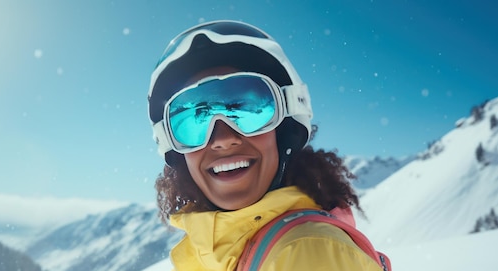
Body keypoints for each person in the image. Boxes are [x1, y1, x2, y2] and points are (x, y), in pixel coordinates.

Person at [147, 20, 387, 270]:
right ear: (174, 147)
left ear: (284, 130)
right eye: (196, 120)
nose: (222, 139)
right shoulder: (220, 254)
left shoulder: (307, 254)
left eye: (245, 109)